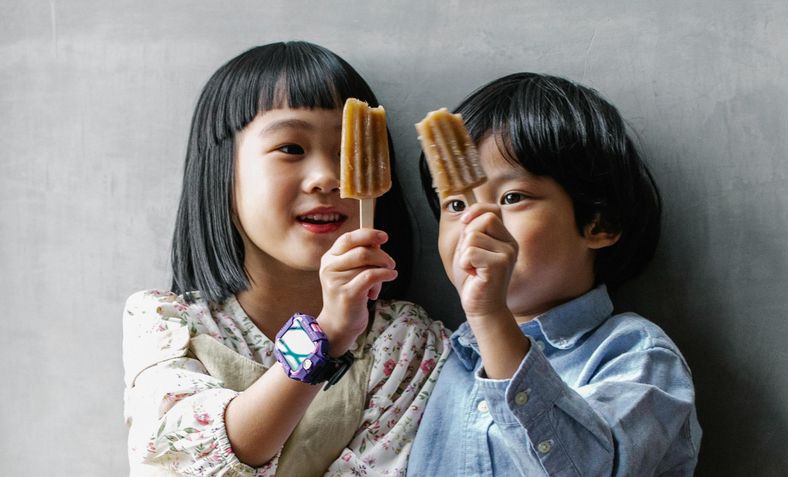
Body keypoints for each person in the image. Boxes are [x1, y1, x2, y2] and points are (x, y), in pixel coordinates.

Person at [122, 41, 449, 477]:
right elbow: (184, 461)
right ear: (222, 170)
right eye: (291, 149)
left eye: (345, 151)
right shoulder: (168, 324)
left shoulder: (406, 341)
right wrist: (328, 333)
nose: (327, 178)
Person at [407, 73, 701, 476]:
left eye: (512, 197)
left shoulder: (637, 356)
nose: (475, 223)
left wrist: (491, 316)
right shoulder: (444, 360)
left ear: (599, 223)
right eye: (455, 205)